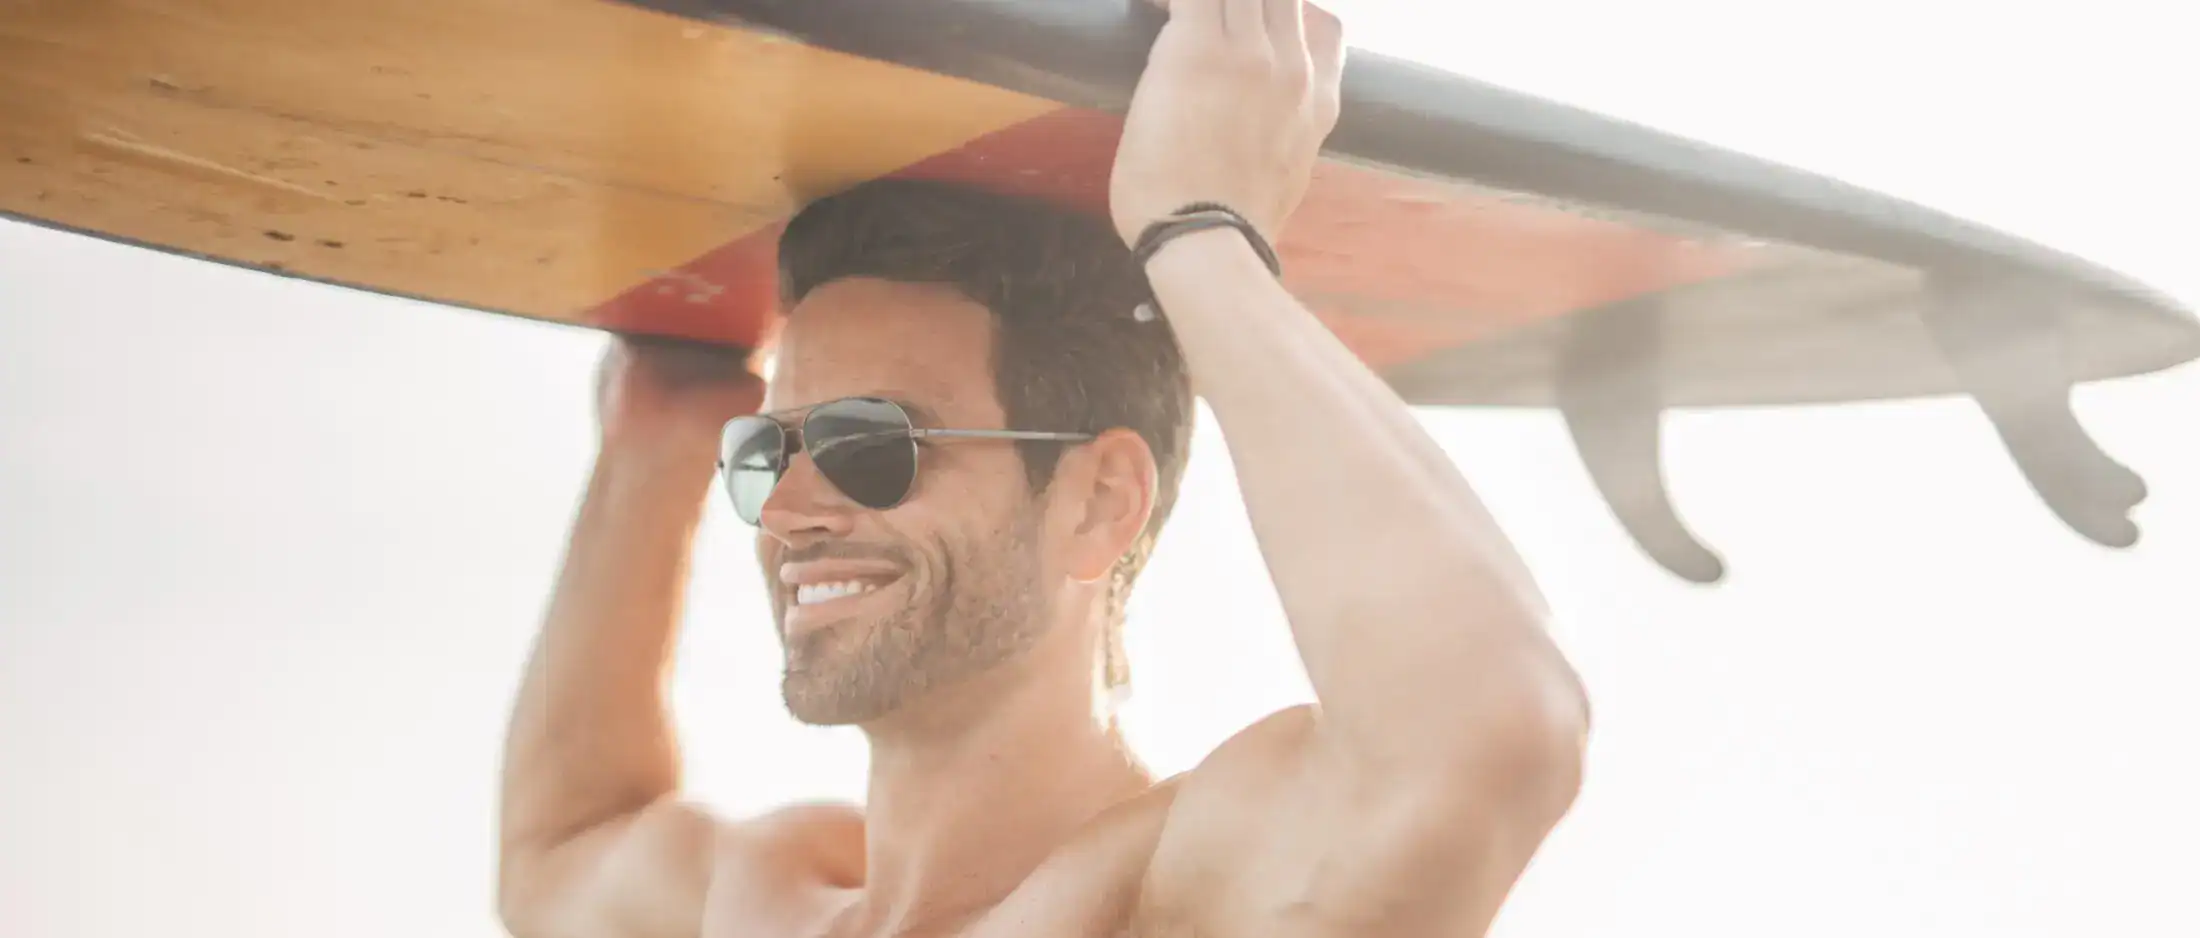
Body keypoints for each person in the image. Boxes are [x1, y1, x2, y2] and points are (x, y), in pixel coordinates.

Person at [496, 2, 1590, 937]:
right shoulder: (763, 898)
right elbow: (557, 850)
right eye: (766, 450)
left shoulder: (1178, 897)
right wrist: (659, 443)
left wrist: (1199, 235)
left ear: (1099, 500)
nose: (785, 507)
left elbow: (1492, 727)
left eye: (870, 446)